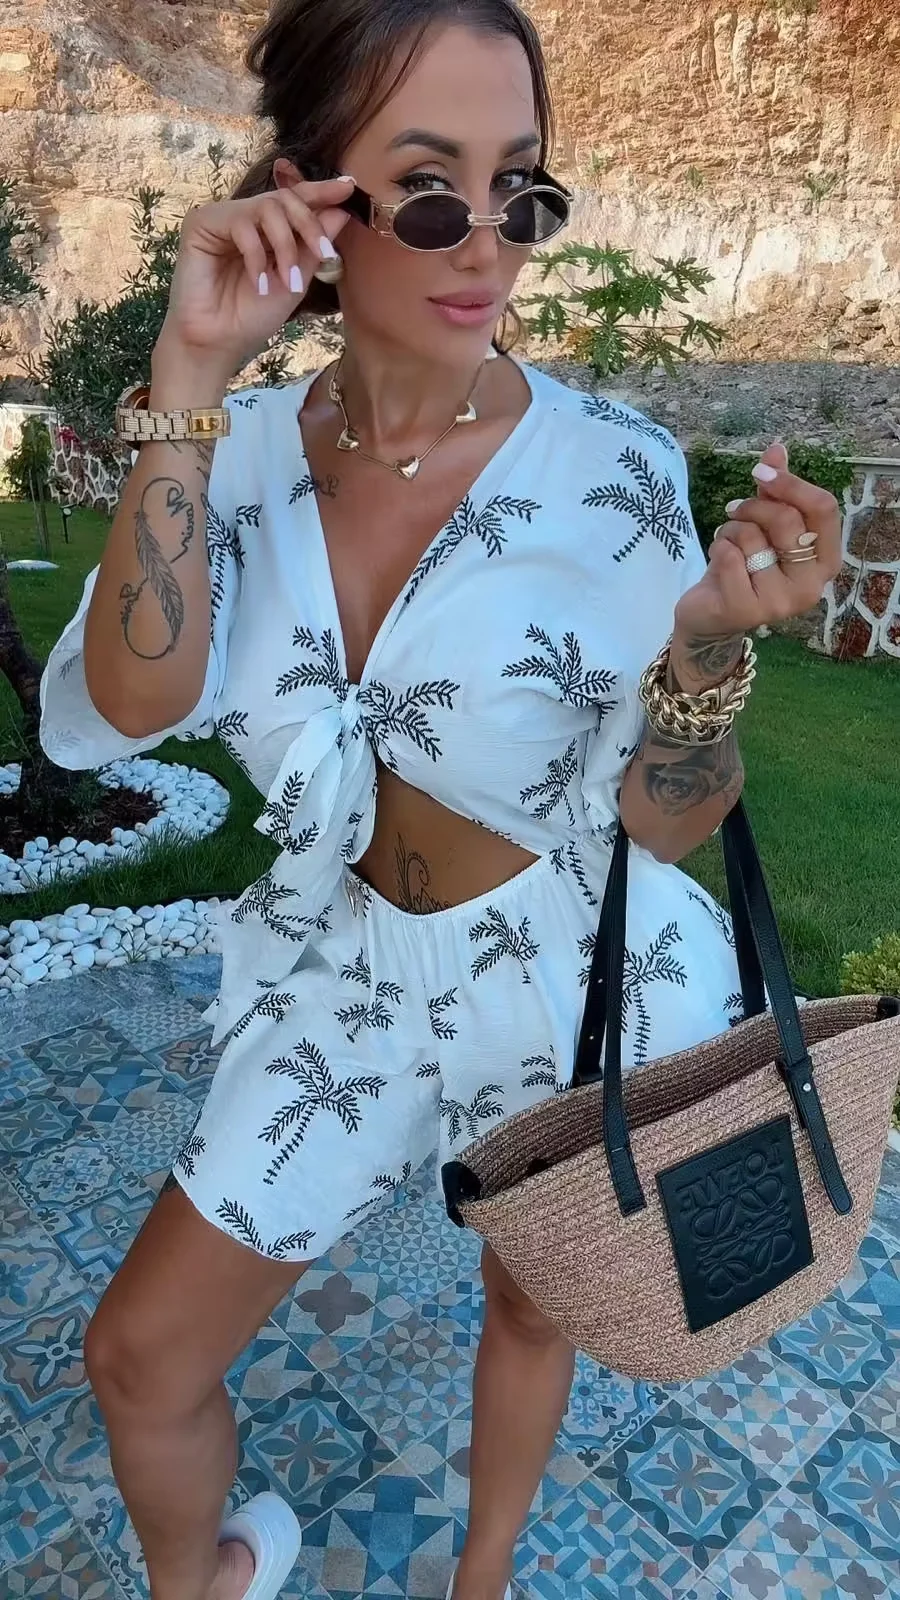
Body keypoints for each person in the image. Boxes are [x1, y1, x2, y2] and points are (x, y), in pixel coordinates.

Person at [39, 2, 842, 1597]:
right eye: (425, 191)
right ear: (310, 199)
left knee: (533, 1300)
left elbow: (667, 822)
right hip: (342, 969)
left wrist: (708, 649)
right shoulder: (233, 449)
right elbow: (130, 703)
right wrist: (187, 370)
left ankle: (484, 1573)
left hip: (562, 963)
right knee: (139, 1357)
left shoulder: (612, 471)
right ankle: (205, 1577)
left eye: (520, 189)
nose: (487, 243)